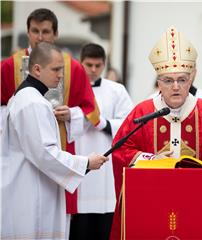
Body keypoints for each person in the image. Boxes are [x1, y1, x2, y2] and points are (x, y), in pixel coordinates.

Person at [110, 26, 202, 240]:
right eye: (168, 81)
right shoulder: (143, 111)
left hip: (196, 204)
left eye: (182, 79)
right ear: (158, 81)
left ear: (192, 77)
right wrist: (153, 160)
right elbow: (120, 151)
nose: (176, 87)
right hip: (152, 202)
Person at [1, 42, 108, 240]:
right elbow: (44, 153)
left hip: (29, 187)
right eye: (56, 69)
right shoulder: (32, 103)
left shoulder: (27, 97)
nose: (60, 75)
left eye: (62, 69)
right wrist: (85, 163)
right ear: (37, 69)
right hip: (30, 194)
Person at [69, 43, 133, 240]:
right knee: (80, 230)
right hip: (79, 165)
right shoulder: (69, 89)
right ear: (81, 63)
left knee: (105, 228)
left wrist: (103, 123)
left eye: (98, 65)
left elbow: (129, 123)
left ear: (104, 64)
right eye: (89, 65)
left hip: (105, 171)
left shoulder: (116, 90)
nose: (94, 70)